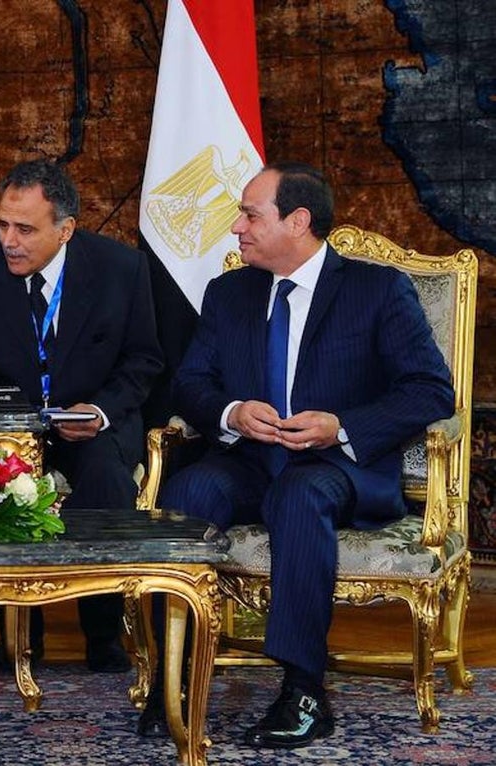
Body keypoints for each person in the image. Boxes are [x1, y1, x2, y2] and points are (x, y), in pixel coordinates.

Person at [136, 162, 455, 747]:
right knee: (186, 492)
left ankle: (304, 690)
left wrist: (342, 426)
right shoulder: (228, 292)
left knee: (300, 494)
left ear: (298, 220)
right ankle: (173, 677)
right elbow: (192, 384)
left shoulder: (375, 289)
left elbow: (431, 389)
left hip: (338, 467)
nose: (237, 228)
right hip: (250, 460)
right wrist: (231, 413)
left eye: (250, 215)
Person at [0, 159, 164, 672]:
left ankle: (101, 632)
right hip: (8, 426)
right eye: (2, 225)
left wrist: (100, 411)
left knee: (105, 476)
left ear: (66, 230)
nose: (8, 240)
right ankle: (17, 628)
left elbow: (145, 360)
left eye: (25, 229)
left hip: (91, 422)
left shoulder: (121, 269)